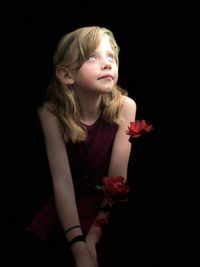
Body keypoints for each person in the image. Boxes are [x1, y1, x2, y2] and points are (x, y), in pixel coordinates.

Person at [14, 25, 136, 267]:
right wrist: (78, 244)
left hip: (104, 208)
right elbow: (63, 182)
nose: (107, 63)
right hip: (64, 202)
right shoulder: (51, 115)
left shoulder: (125, 107)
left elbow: (116, 181)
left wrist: (93, 236)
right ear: (66, 75)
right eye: (93, 57)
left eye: (111, 56)